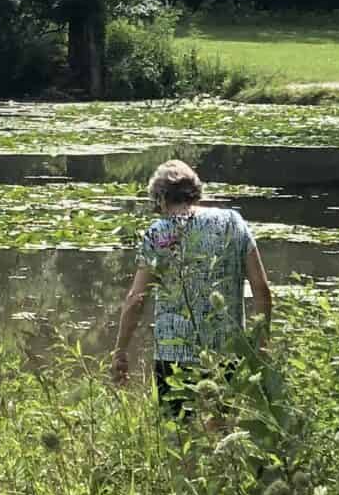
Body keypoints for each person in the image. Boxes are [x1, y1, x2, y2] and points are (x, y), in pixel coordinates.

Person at [111, 158, 274, 411]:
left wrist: (121, 350)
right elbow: (261, 290)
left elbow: (136, 299)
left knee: (179, 440)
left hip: (174, 359)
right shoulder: (233, 222)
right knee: (220, 433)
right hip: (226, 354)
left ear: (161, 200)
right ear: (196, 193)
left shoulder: (159, 232)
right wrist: (261, 345)